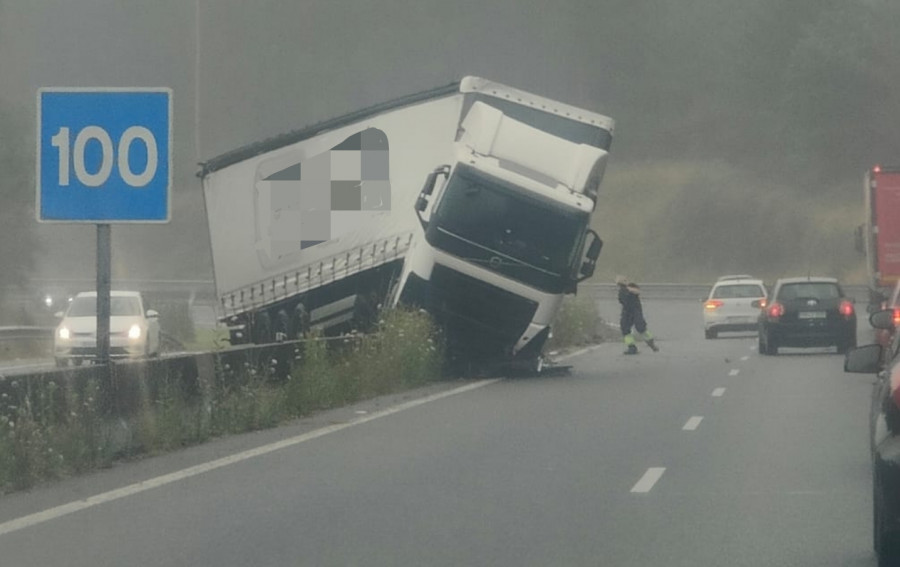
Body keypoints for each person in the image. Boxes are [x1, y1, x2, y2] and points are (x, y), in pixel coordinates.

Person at [616, 275, 659, 354]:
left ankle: (650, 341)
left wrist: (628, 288)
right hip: (626, 311)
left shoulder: (631, 286)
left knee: (641, 327)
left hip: (635, 310)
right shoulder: (621, 291)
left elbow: (637, 291)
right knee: (625, 329)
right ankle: (631, 347)